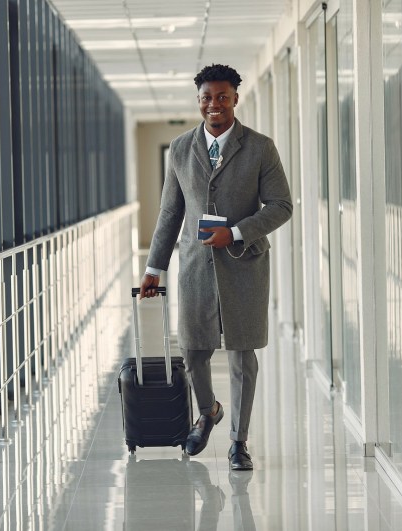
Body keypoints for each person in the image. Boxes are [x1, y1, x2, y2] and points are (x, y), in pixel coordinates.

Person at [139, 64, 292, 471]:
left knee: (243, 356)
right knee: (194, 351)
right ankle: (208, 412)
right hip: (194, 267)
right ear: (199, 100)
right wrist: (154, 267)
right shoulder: (180, 148)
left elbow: (281, 206)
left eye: (222, 97)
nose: (214, 105)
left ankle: (239, 442)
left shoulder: (260, 148)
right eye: (207, 97)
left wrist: (237, 233)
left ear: (236, 99)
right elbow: (171, 212)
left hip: (245, 266)